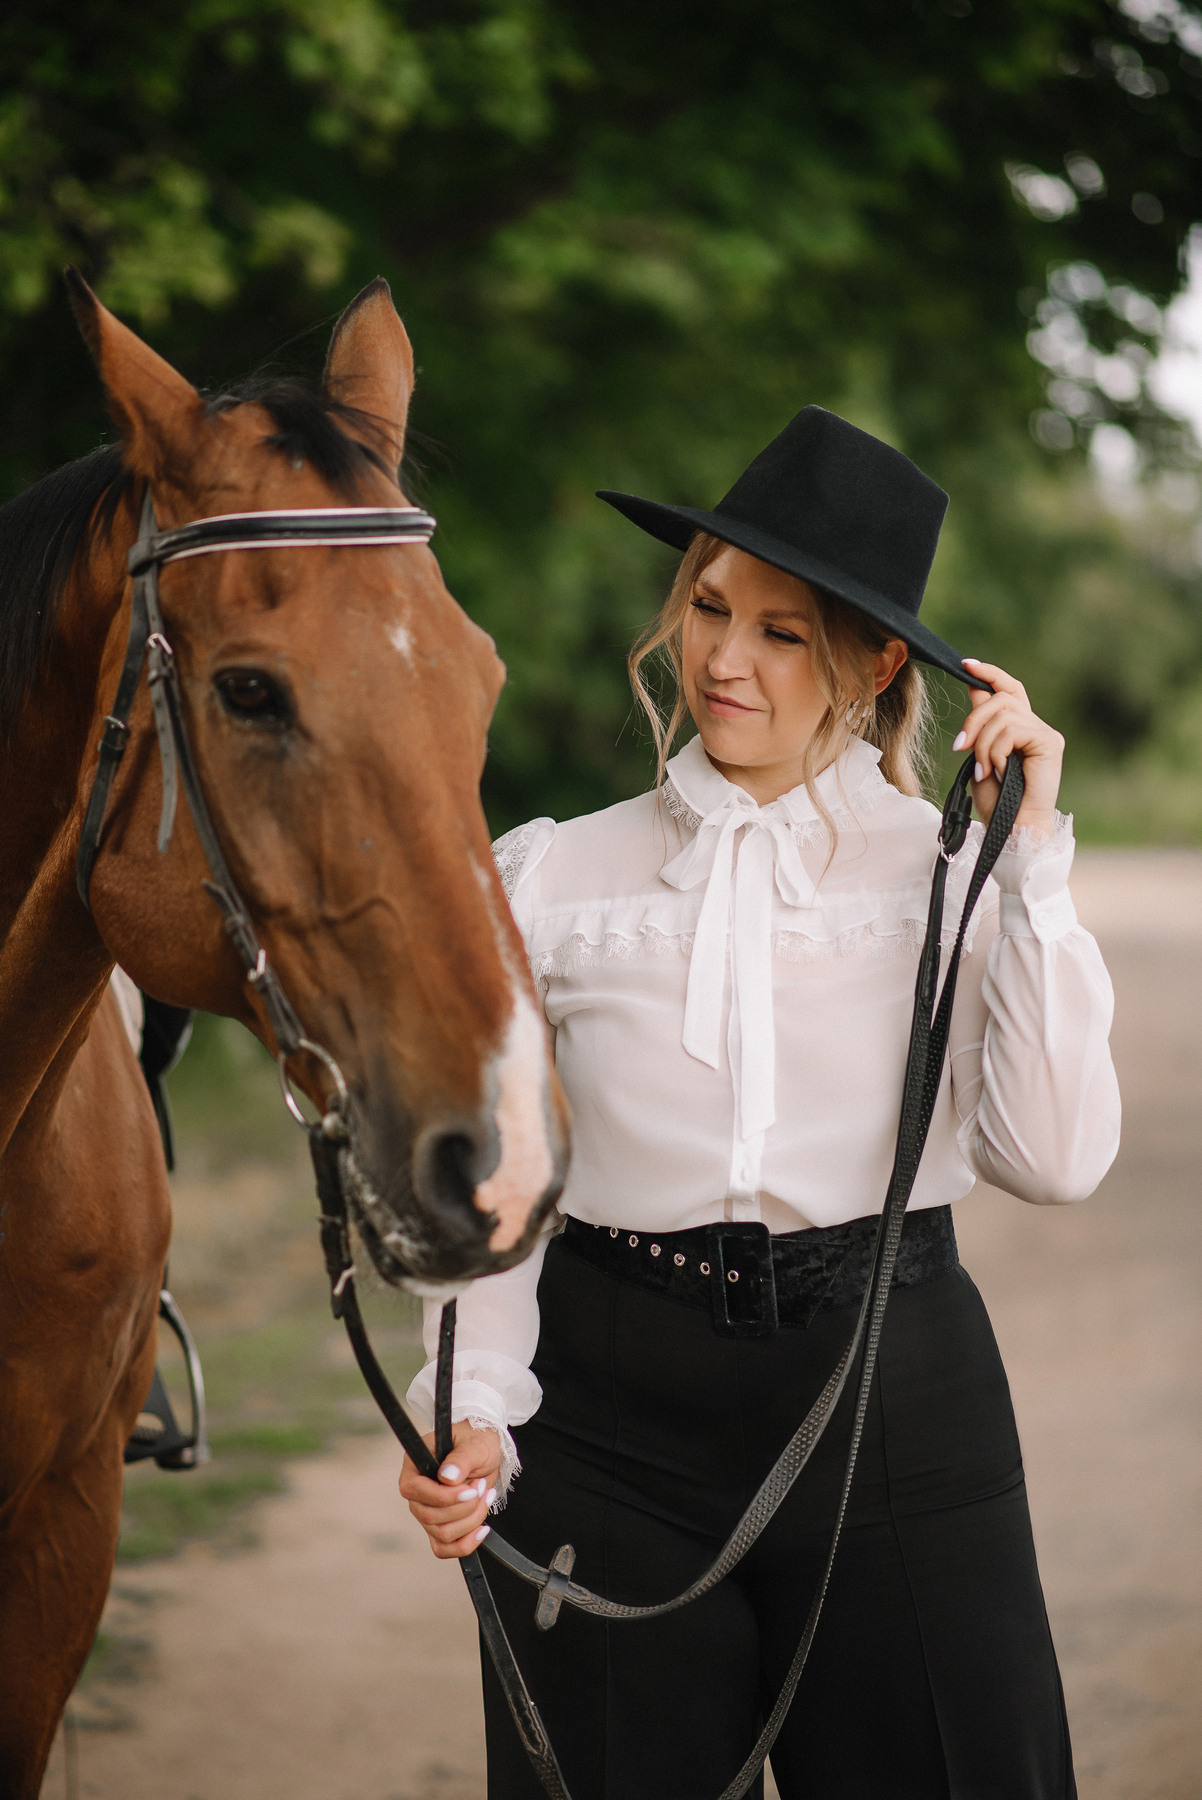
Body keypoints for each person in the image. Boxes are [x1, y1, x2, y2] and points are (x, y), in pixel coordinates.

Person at [398, 407, 1121, 1800]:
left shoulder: (954, 875)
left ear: (873, 660)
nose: (723, 659)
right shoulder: (550, 877)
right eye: (709, 608)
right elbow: (501, 1181)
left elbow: (1054, 1157)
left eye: (780, 632)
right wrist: (476, 1403)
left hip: (891, 1404)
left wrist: (1025, 860)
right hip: (608, 1421)